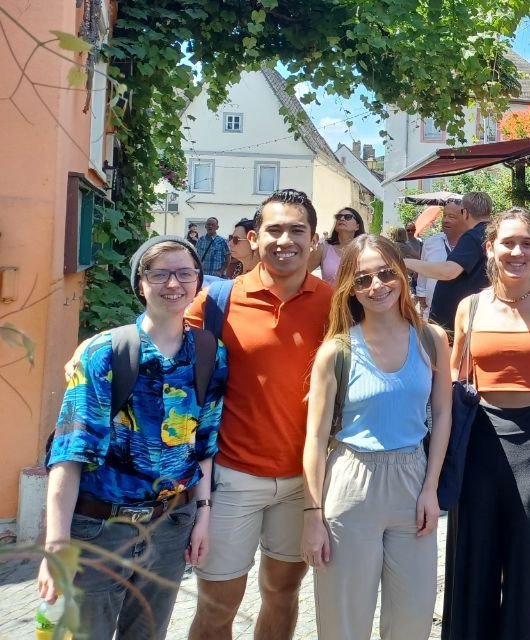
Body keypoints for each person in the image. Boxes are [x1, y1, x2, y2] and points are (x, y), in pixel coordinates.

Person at [39, 236, 229, 639]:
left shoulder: (210, 352)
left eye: (184, 273)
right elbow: (70, 452)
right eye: (159, 274)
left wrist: (203, 516)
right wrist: (55, 543)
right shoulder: (105, 352)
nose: (173, 284)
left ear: (198, 281)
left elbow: (205, 444)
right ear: (140, 283)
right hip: (100, 530)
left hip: (170, 525)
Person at [186, 189, 334, 640]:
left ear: (313, 242)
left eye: (297, 230)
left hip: (303, 483)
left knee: (283, 595)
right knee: (217, 606)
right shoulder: (217, 302)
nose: (284, 239)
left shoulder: (334, 303)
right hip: (232, 478)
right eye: (273, 229)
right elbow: (170, 364)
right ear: (253, 238)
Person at [301, 234, 452, 640]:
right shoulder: (336, 350)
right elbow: (314, 439)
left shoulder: (431, 339)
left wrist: (431, 488)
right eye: (363, 279)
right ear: (349, 287)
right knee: (343, 621)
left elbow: (442, 414)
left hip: (411, 479)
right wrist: (312, 516)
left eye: (386, 274)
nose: (377, 286)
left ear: (402, 275)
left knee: (412, 618)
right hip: (351, 484)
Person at [442, 208, 530, 639]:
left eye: (527, 243)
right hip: (479, 441)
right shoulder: (470, 307)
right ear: (490, 247)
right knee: (472, 558)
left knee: (527, 560)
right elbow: (455, 382)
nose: (517, 252)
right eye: (508, 242)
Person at [406, 191, 494, 331]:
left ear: (464, 212)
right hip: (475, 316)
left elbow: (448, 272)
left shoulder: (473, 236)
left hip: (455, 323)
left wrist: (405, 262)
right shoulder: (493, 234)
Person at [415, 201, 465, 315]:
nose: (445, 220)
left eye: (451, 216)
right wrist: (423, 300)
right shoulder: (431, 243)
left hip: (465, 316)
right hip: (434, 314)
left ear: (465, 218)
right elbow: (423, 275)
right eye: (444, 216)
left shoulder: (474, 245)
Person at [314, 207, 366, 284]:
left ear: (357, 226)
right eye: (338, 217)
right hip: (330, 296)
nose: (342, 219)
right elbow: (302, 273)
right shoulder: (324, 248)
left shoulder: (365, 250)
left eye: (348, 217)